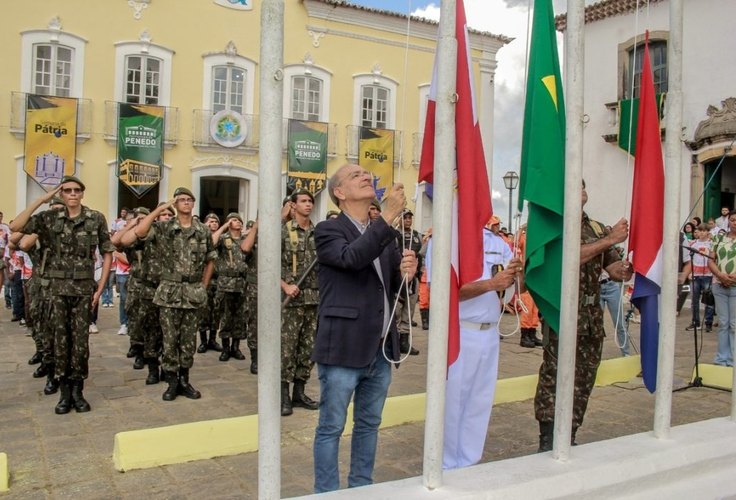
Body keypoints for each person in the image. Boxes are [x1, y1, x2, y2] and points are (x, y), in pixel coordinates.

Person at [312, 164, 417, 493]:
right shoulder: (328, 231)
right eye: (355, 174)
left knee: (369, 424)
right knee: (331, 426)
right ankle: (327, 493)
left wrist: (406, 272)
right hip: (343, 346)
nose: (365, 175)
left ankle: (361, 488)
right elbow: (352, 258)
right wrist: (387, 218)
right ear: (340, 193)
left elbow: (390, 285)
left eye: (365, 173)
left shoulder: (383, 235)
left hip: (380, 348)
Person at [534, 181, 632, 451]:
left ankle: (571, 432)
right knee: (554, 374)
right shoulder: (555, 226)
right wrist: (609, 240)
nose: (583, 189)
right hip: (563, 313)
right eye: (576, 186)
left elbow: (610, 266)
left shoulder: (596, 227)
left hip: (591, 316)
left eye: (584, 185)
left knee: (584, 377)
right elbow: (566, 258)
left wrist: (622, 269)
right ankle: (548, 436)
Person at [11, 176, 114, 414]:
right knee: (60, 340)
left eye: (77, 190)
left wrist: (101, 286)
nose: (72, 194)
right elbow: (16, 227)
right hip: (57, 291)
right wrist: (41, 199)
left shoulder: (95, 218)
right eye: (67, 190)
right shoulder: (48, 218)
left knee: (80, 343)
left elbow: (107, 250)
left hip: (82, 290)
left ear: (82, 193)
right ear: (62, 194)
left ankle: (78, 392)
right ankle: (64, 393)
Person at [429, 216, 519, 469]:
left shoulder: (496, 242)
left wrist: (515, 275)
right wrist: (491, 284)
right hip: (460, 331)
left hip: (490, 332)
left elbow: (510, 288)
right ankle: (445, 464)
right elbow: (442, 291)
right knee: (453, 401)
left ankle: (469, 462)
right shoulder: (445, 240)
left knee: (479, 401)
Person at [132, 188, 216, 400]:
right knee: (169, 340)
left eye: (189, 200)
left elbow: (210, 260)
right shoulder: (164, 227)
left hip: (193, 291)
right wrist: (159, 209)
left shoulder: (203, 230)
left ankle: (184, 380)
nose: (186, 203)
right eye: (181, 200)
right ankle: (171, 382)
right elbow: (140, 232)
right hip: (169, 291)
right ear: (175, 204)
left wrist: (204, 287)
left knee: (188, 341)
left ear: (193, 204)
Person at [280, 189, 320, 416]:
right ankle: (284, 395)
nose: (308, 205)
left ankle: (299, 392)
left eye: (310, 201)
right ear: (293, 206)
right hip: (290, 300)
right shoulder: (283, 232)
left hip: (313, 299)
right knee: (287, 349)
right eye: (303, 201)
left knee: (308, 349)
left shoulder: (318, 233)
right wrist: (285, 285)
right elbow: (267, 263)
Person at [211, 213, 248, 362]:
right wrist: (223, 227)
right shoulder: (223, 239)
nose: (237, 222)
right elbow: (211, 243)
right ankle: (225, 347)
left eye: (239, 220)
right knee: (226, 316)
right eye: (234, 220)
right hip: (225, 282)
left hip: (241, 283)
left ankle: (235, 347)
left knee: (239, 317)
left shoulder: (245, 239)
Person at [708, 211, 736, 367]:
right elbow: (711, 260)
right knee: (723, 322)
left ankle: (733, 358)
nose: (735, 223)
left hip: (735, 285)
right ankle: (721, 358)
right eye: (732, 220)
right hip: (719, 284)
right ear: (728, 221)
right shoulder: (719, 238)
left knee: (734, 323)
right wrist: (720, 275)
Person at [394, 209, 423, 355]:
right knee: (397, 309)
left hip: (413, 278)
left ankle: (404, 341)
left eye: (409, 218)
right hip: (398, 277)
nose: (408, 220)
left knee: (409, 309)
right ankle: (393, 340)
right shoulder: (394, 234)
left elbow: (421, 256)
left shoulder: (417, 236)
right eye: (405, 218)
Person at [197, 213, 223, 354]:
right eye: (211, 221)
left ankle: (212, 339)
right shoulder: (202, 236)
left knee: (216, 312)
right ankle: (203, 341)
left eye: (216, 222)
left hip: (218, 280)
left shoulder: (222, 238)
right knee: (203, 312)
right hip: (204, 279)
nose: (213, 224)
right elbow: (211, 241)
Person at [682, 224, 714, 332]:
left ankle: (708, 322)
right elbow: (689, 259)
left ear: (708, 232)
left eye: (704, 231)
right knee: (694, 300)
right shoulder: (693, 244)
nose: (701, 233)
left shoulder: (711, 244)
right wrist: (690, 272)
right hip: (696, 274)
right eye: (700, 231)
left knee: (708, 299)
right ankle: (696, 322)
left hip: (708, 274)